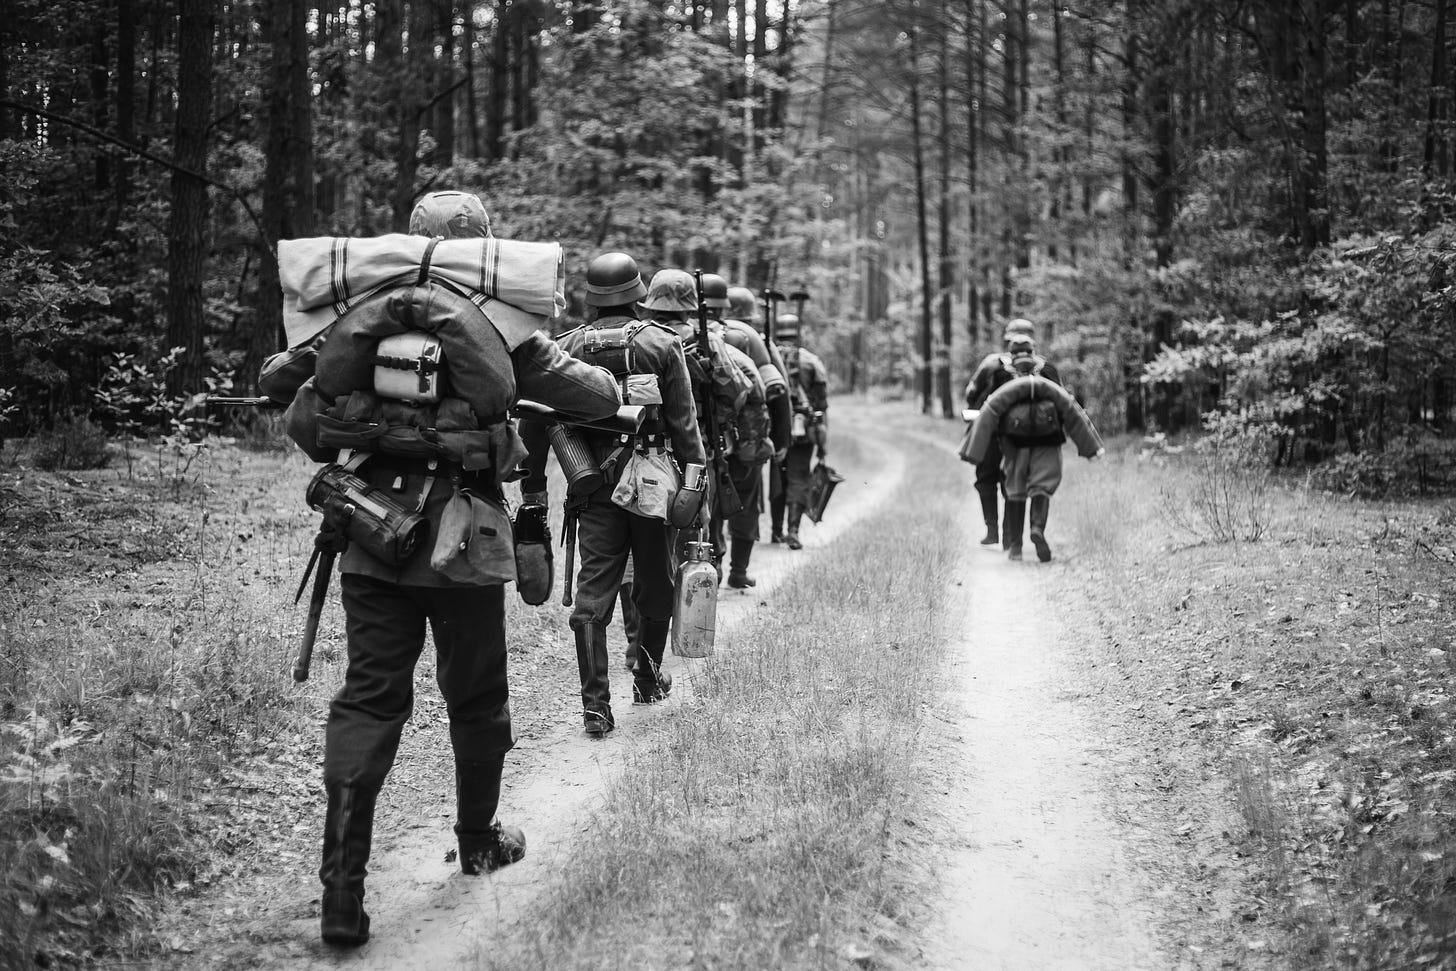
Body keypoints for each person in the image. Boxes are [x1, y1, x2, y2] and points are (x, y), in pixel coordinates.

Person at [283, 191, 624, 946]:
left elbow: (289, 385)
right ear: (483, 247)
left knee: (369, 700)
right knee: (476, 697)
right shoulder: (499, 329)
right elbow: (593, 394)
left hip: (370, 534)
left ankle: (341, 891)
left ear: (412, 242)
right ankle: (477, 840)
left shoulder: (358, 319)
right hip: (462, 543)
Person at [519, 253, 706, 738]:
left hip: (593, 487)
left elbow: (535, 423)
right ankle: (646, 679)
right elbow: (686, 428)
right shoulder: (664, 345)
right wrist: (695, 489)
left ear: (591, 297)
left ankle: (595, 707)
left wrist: (534, 487)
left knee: (592, 593)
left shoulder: (564, 347)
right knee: (656, 585)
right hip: (651, 487)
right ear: (637, 293)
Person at [639, 269, 751, 570]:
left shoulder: (639, 338)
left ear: (651, 302)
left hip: (645, 450)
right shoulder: (709, 341)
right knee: (699, 524)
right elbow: (738, 390)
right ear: (689, 306)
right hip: (697, 445)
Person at [963, 335, 1103, 561]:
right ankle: (1037, 529)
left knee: (1015, 488)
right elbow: (1069, 408)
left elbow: (990, 411)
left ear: (1010, 352)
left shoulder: (1001, 372)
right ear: (1033, 350)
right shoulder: (1047, 370)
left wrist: (973, 451)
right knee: (1042, 486)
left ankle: (1016, 547)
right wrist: (1091, 448)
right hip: (1048, 441)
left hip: (1013, 443)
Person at [701, 275, 788, 588]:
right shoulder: (749, 336)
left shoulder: (679, 332)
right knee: (746, 501)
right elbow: (778, 390)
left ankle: (711, 569)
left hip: (702, 438)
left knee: (707, 503)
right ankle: (738, 570)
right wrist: (781, 440)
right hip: (745, 436)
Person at [962, 318, 1062, 547]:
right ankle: (1010, 538)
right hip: (1027, 438)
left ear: (1006, 340)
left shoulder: (991, 364)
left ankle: (992, 531)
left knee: (986, 479)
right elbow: (1062, 399)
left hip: (990, 431)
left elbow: (971, 393)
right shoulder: (1045, 368)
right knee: (1013, 483)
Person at [769, 312, 829, 550]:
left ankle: (776, 531)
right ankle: (793, 530)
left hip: (775, 429)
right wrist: (823, 443)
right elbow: (822, 405)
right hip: (803, 429)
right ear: (798, 333)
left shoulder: (769, 357)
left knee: (777, 477)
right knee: (798, 477)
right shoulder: (811, 361)